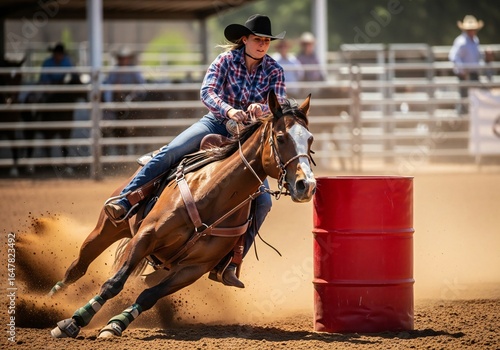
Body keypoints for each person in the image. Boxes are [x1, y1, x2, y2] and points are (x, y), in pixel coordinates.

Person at [104, 14, 287, 288]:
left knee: (263, 203)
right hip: (216, 122)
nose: (263, 45)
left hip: (248, 137)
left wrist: (260, 109)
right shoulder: (225, 61)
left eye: (266, 41)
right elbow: (207, 91)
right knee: (170, 152)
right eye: (258, 39)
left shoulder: (274, 70)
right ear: (244, 40)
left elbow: (279, 100)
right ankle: (127, 199)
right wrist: (230, 110)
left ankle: (231, 263)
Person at [102, 46, 146, 155]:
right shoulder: (114, 71)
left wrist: (132, 92)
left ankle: (137, 153)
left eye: (125, 58)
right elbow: (108, 88)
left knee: (137, 129)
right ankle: (122, 155)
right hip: (118, 104)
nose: (123, 60)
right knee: (118, 129)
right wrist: (109, 104)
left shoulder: (134, 70)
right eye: (121, 58)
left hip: (133, 104)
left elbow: (142, 86)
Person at [448, 15, 484, 114]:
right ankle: (462, 119)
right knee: (464, 97)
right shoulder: (461, 41)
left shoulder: (475, 40)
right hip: (465, 74)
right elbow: (454, 56)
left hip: (474, 73)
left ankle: (472, 119)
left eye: (473, 29)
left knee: (474, 97)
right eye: (470, 29)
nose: (472, 31)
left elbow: (477, 56)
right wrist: (462, 70)